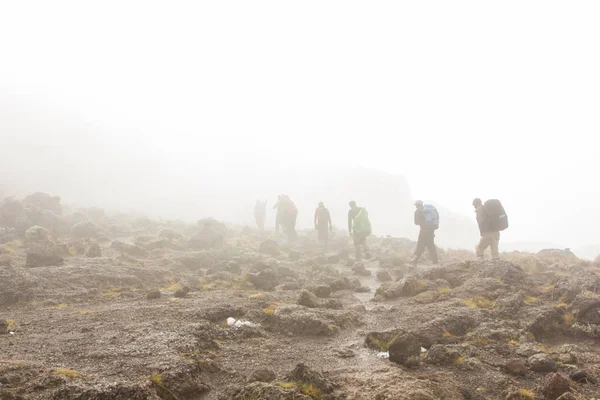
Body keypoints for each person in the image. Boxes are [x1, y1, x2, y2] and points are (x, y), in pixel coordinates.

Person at [411, 200, 439, 266]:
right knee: (431, 246)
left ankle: (414, 261)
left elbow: (416, 223)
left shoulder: (417, 211)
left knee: (420, 246)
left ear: (417, 205)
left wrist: (422, 222)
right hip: (430, 231)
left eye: (416, 205)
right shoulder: (428, 210)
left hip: (423, 231)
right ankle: (435, 261)